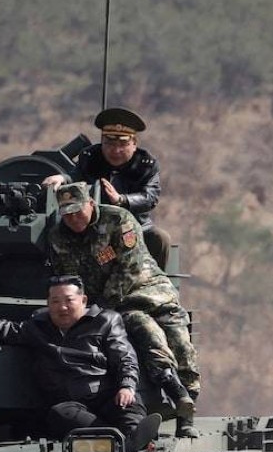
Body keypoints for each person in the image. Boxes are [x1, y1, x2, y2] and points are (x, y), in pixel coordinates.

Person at [45, 181, 201, 438]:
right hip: (119, 307)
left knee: (182, 344)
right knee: (147, 331)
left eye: (77, 210)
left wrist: (100, 308)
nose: (72, 218)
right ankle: (175, 391)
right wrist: (92, 310)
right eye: (66, 213)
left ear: (90, 204)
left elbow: (128, 268)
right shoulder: (58, 237)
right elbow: (70, 279)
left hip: (147, 290)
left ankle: (187, 409)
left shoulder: (118, 220)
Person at [0, 277, 158, 452]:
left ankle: (132, 438)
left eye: (69, 300)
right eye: (55, 301)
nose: (62, 307)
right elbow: (8, 330)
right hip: (72, 405)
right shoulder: (38, 327)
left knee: (129, 404)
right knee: (60, 414)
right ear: (48, 303)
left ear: (83, 300)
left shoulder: (106, 320)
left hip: (107, 395)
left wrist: (127, 385)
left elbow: (125, 357)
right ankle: (119, 443)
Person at [42, 107, 172, 269]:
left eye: (123, 144)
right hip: (96, 230)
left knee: (160, 239)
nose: (116, 151)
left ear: (134, 144)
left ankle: (154, 281)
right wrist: (62, 178)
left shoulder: (146, 165)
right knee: (100, 256)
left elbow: (150, 197)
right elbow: (75, 176)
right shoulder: (90, 157)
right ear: (102, 141)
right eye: (109, 144)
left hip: (135, 229)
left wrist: (121, 200)